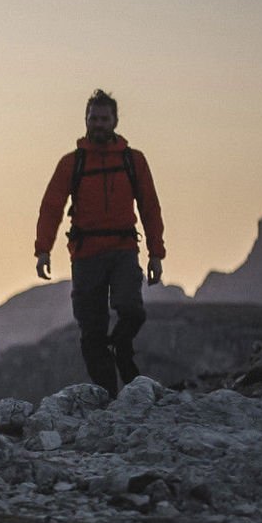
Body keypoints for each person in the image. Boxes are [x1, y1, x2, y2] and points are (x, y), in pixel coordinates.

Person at [34, 89, 165, 396]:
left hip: (123, 250)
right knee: (91, 331)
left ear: (116, 121)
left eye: (105, 119)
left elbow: (150, 207)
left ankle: (122, 347)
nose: (99, 125)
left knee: (132, 310)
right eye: (94, 119)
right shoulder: (72, 163)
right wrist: (43, 249)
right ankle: (108, 396)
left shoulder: (134, 161)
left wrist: (156, 253)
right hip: (85, 255)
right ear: (86, 121)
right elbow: (51, 207)